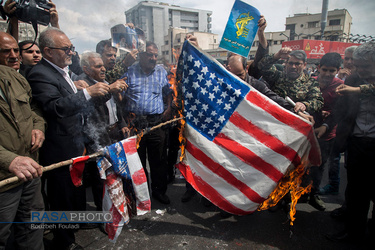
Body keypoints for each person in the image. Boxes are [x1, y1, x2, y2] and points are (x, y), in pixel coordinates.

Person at [26, 27, 110, 250]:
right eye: (66, 49)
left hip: (76, 143)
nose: (71, 53)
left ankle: (74, 227)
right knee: (60, 197)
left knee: (74, 192)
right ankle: (64, 242)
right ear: (48, 51)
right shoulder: (40, 74)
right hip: (58, 149)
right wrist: (86, 93)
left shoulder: (63, 71)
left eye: (72, 48)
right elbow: (55, 107)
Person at [327, 42, 375, 244]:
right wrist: (328, 126)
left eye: (366, 66)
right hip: (356, 142)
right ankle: (353, 232)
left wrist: (357, 90)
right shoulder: (353, 78)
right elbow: (340, 109)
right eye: (358, 65)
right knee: (356, 191)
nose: (361, 70)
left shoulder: (358, 84)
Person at [0, 64, 45, 249]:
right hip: (4, 181)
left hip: (30, 172)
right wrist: (8, 160)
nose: (13, 56)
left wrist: (39, 127)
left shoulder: (15, 76)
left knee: (32, 226)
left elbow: (34, 110)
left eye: (15, 50)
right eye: (5, 50)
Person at [77, 52, 128, 216]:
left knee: (115, 175)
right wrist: (110, 90)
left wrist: (122, 124)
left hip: (113, 135)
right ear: (86, 69)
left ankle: (116, 208)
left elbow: (115, 108)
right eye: (98, 66)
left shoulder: (105, 82)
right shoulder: (83, 85)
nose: (103, 69)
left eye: (103, 65)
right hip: (97, 138)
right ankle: (103, 216)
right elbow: (87, 108)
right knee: (101, 180)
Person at [122, 41, 173, 205]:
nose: (153, 58)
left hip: (156, 122)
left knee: (158, 160)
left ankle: (159, 192)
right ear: (141, 55)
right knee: (138, 162)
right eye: (150, 54)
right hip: (135, 122)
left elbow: (168, 93)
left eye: (156, 55)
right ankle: (140, 196)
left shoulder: (160, 71)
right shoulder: (130, 71)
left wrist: (168, 110)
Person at [305, 53, 344, 211]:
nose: (328, 74)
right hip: (305, 133)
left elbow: (340, 111)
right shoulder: (309, 82)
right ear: (318, 68)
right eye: (325, 70)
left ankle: (313, 195)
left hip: (326, 135)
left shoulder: (341, 86)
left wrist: (326, 125)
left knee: (318, 167)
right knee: (300, 166)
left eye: (332, 71)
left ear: (337, 70)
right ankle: (298, 193)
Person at [257, 48, 324, 114]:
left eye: (297, 64)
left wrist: (304, 105)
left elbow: (318, 101)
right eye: (291, 63)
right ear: (286, 63)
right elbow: (262, 66)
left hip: (296, 119)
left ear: (304, 65)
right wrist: (277, 56)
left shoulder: (311, 82)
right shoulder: (277, 76)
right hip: (275, 115)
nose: (293, 67)